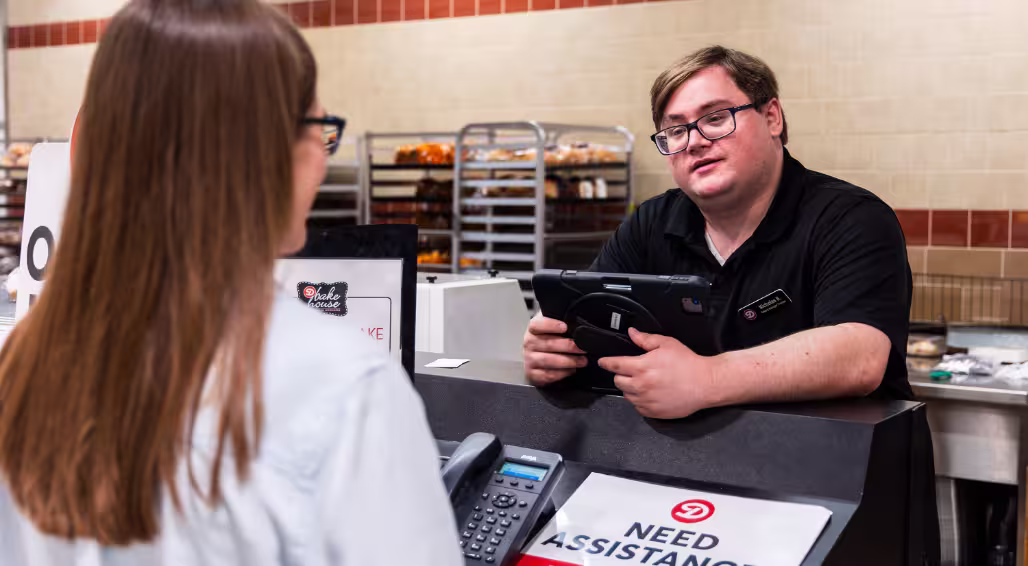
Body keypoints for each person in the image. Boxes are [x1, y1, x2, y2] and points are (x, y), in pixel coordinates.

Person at [0, 1, 462, 565]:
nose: (322, 154)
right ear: (253, 154)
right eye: (320, 129)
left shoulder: (22, 365)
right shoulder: (345, 387)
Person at [523, 46, 914, 420]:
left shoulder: (848, 218)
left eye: (715, 118)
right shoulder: (652, 223)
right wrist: (552, 350)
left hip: (832, 469)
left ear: (772, 117)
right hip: (697, 464)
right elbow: (585, 314)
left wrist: (707, 378)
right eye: (675, 131)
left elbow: (861, 356)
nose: (694, 142)